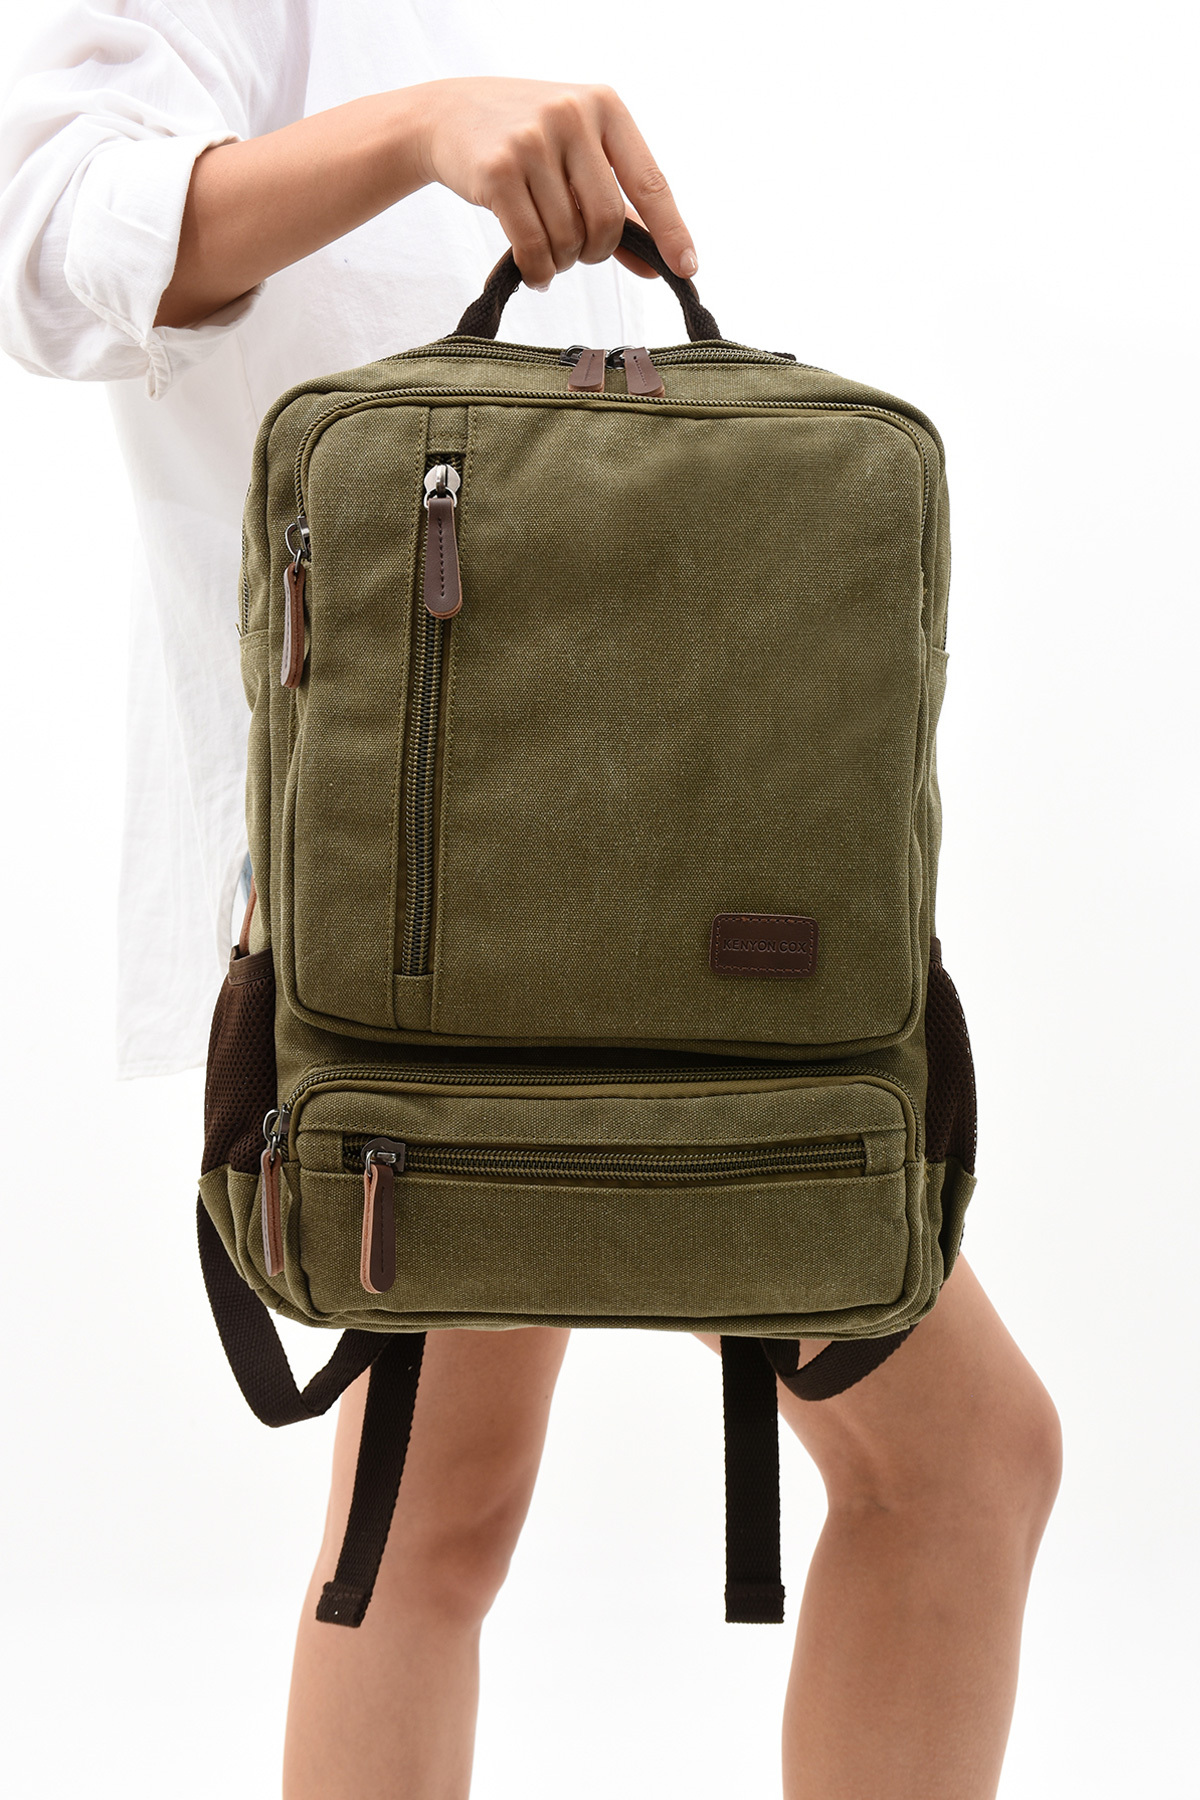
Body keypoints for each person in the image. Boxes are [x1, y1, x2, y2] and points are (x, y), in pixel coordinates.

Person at [0, 6, 1061, 1797]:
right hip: (405, 898)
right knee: (950, 1462)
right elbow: (53, 241)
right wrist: (427, 125)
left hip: (585, 877)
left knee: (434, 1523)